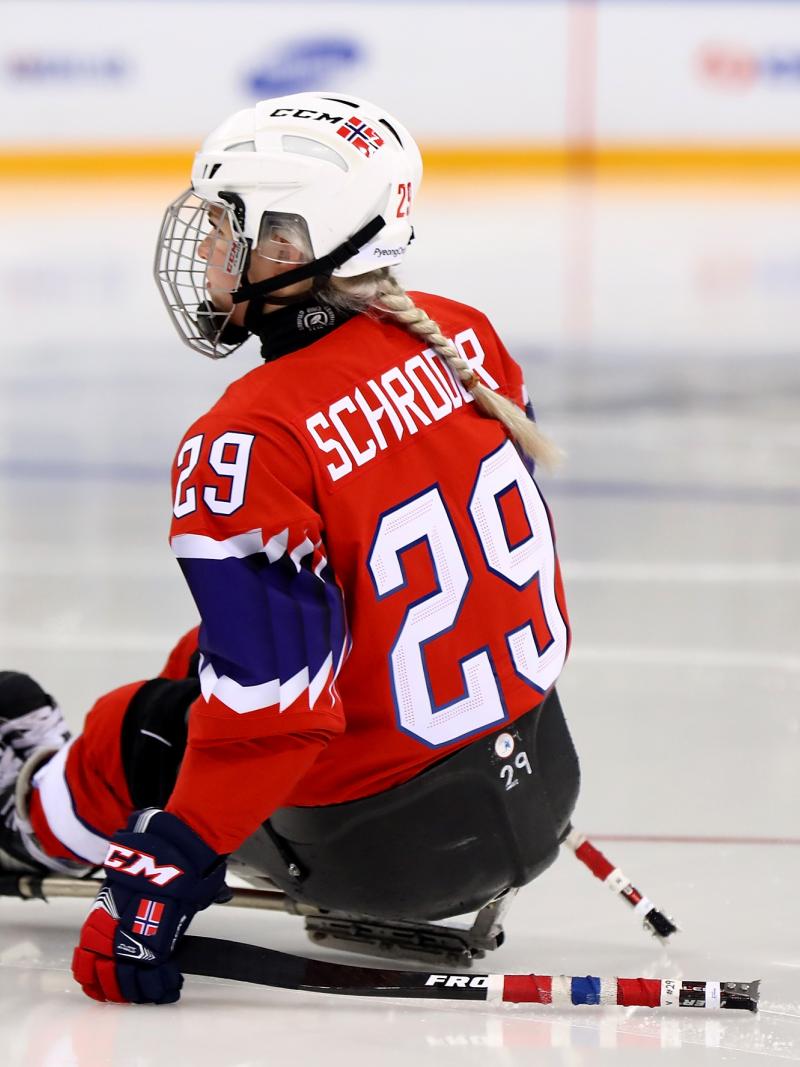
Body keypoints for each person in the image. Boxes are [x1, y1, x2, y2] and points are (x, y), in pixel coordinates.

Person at [0, 92, 578, 1005]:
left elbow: (277, 712)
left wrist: (170, 866)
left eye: (225, 228)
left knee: (140, 725)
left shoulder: (248, 439)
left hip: (383, 846)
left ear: (290, 243)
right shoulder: (462, 332)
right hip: (537, 777)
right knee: (213, 651)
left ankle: (29, 818)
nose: (207, 251)